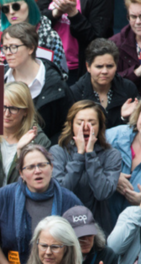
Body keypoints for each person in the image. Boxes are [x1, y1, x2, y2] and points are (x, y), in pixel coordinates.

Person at [0, 144, 83, 264]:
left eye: (42, 165)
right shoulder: (4, 197)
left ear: (51, 167)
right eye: (30, 167)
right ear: (21, 173)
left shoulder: (69, 201)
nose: (37, 171)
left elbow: (83, 241)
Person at [0, 22, 74, 141]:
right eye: (5, 47)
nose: (7, 53)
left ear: (31, 48)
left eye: (14, 47)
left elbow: (69, 125)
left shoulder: (55, 83)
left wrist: (47, 148)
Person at [51, 100, 123, 233]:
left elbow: (102, 193)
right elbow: (61, 191)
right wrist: (79, 155)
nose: (85, 128)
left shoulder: (112, 155)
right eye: (79, 123)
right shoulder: (57, 151)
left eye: (91, 123)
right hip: (64, 225)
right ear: (71, 124)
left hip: (98, 226)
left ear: (100, 126)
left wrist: (90, 154)